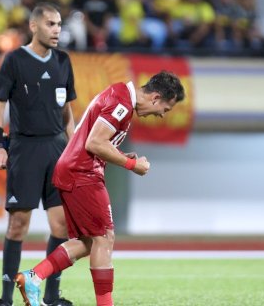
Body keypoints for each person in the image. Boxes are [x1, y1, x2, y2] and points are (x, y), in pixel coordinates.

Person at [15, 71, 185, 306]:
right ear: (156, 98)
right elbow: (94, 142)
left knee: (89, 242)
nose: (161, 115)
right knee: (105, 238)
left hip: (74, 170)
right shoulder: (121, 102)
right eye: (165, 109)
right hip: (82, 173)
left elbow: (97, 141)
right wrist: (132, 164)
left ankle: (34, 277)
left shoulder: (119, 95)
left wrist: (122, 155)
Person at [0, 2, 76, 306]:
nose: (57, 30)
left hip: (57, 149)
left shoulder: (64, 61)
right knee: (18, 224)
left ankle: (51, 296)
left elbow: (67, 111)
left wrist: (74, 146)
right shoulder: (14, 60)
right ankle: (5, 298)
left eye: (59, 24)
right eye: (51, 24)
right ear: (34, 26)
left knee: (61, 226)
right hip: (24, 148)